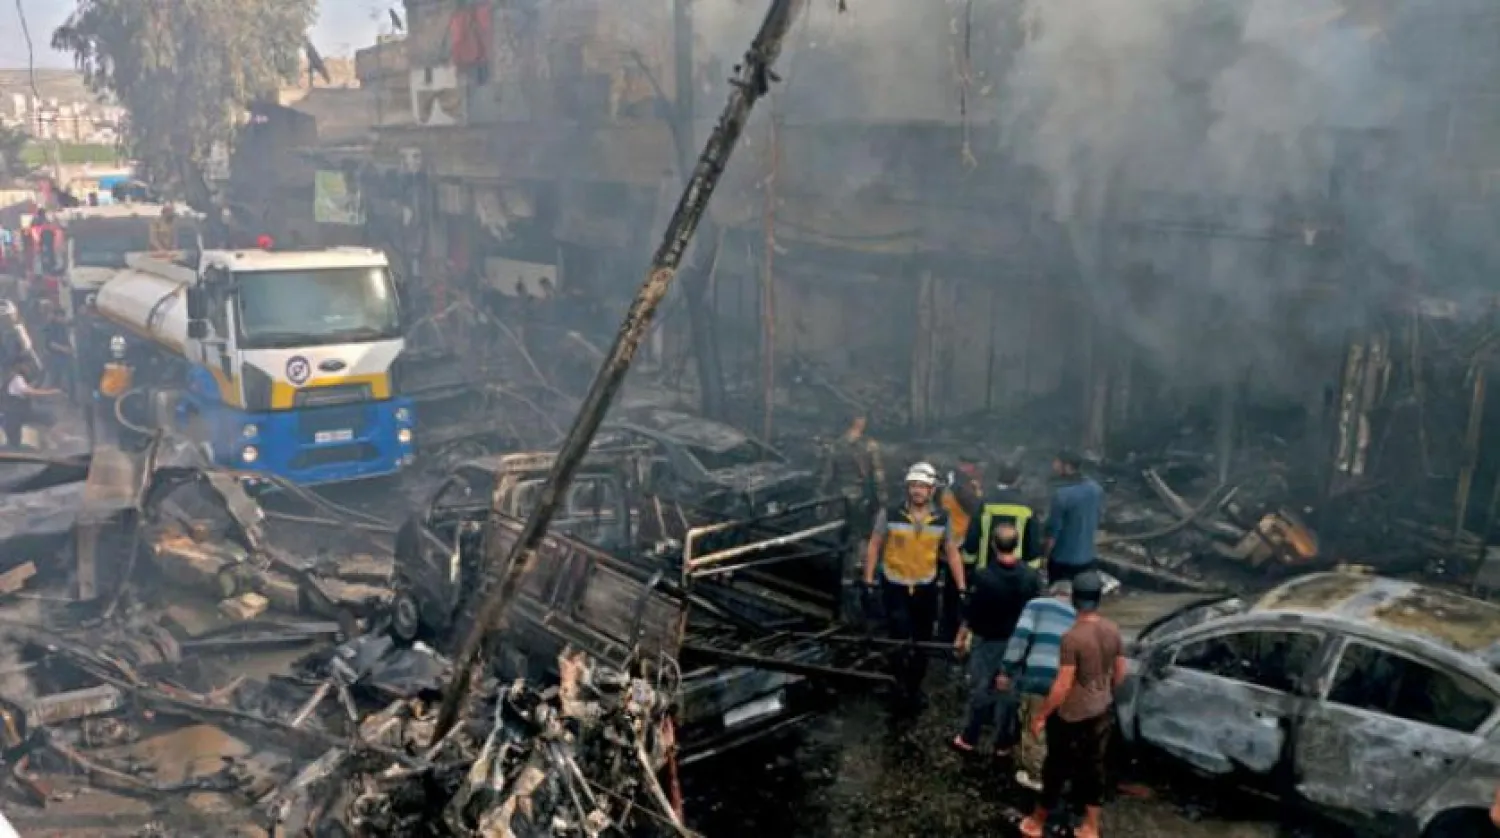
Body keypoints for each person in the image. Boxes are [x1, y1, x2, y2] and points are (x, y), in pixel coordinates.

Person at [1020, 571, 1124, 838]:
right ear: (1099, 599)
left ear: (1075, 600)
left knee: (1055, 767)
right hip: (1101, 708)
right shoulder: (1112, 629)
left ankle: (1037, 822)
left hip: (1072, 713)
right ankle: (1091, 827)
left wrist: (1042, 714)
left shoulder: (1072, 637)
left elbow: (1063, 684)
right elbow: (1120, 670)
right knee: (1094, 767)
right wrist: (1107, 692)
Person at [862, 461, 967, 709]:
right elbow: (875, 544)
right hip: (895, 584)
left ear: (931, 490)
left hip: (925, 586)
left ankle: (914, 687)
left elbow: (951, 551)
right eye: (914, 486)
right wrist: (868, 579)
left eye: (922, 486)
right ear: (908, 488)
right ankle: (897, 685)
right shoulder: (890, 512)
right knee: (898, 636)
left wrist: (961, 586)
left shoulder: (942, 518)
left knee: (922, 640)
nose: (917, 491)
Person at [951, 523, 1039, 755]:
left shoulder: (983, 576)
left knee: (981, 689)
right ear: (1017, 544)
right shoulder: (1030, 577)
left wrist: (961, 636)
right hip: (1018, 643)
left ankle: (969, 738)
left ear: (992, 544)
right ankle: (1003, 743)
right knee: (1009, 694)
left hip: (988, 642)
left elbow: (971, 612)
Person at [1001, 577, 1078, 792]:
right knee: (1056, 730)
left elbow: (1020, 638)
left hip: (1038, 676)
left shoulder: (1036, 605)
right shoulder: (1078, 618)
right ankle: (1056, 774)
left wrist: (1007, 667)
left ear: (1052, 592)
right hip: (1065, 683)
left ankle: (1035, 777)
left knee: (1034, 724)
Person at [963, 461, 1045, 572]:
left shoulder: (985, 502)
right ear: (1018, 479)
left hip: (985, 570)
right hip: (1017, 572)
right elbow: (1033, 541)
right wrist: (1031, 570)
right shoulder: (1026, 506)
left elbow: (973, 535)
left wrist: (968, 563)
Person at [938, 454, 986, 642]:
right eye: (971, 465)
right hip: (957, 544)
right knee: (956, 590)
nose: (974, 469)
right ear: (964, 465)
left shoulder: (961, 483)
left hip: (955, 543)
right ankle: (951, 632)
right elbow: (976, 508)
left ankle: (950, 629)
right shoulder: (959, 485)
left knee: (955, 589)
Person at [820, 411, 888, 533]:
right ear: (859, 422)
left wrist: (823, 496)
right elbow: (878, 476)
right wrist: (882, 498)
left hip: (840, 496)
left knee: (841, 532)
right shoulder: (869, 445)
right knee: (862, 533)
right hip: (862, 497)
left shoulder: (836, 446)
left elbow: (828, 476)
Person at [1044, 448, 1104, 584]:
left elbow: (1053, 534)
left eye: (1057, 462)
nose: (1054, 466)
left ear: (1068, 466)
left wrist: (1044, 557)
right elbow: (1098, 517)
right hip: (1088, 559)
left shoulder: (1062, 495)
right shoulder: (1095, 489)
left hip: (1063, 561)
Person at [1, 358, 60, 450]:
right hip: (15, 416)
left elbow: (27, 389)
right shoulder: (17, 379)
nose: (27, 367)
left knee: (49, 416)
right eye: (25, 364)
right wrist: (51, 392)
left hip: (21, 413)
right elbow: (29, 392)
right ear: (18, 366)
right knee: (13, 445)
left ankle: (46, 440)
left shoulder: (17, 378)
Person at [42, 306, 73, 397]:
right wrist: (64, 349)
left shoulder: (64, 327)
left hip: (65, 357)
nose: (62, 318)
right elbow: (50, 343)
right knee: (53, 378)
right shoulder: (50, 327)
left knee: (66, 379)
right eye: (60, 316)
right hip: (54, 358)